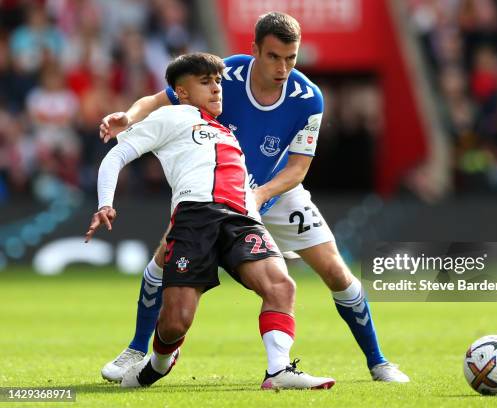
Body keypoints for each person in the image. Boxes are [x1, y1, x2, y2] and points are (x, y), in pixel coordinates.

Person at [99, 12, 409, 383]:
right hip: (216, 194)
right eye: (274, 57)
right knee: (164, 256)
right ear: (255, 51)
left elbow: (298, 167)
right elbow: (158, 99)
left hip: (275, 192)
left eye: (291, 58)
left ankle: (378, 362)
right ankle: (136, 348)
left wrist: (260, 194)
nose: (283, 68)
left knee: (335, 271)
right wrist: (129, 117)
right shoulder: (225, 75)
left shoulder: (308, 97)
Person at [86, 52, 335, 390]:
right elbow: (116, 155)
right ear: (182, 92)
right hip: (195, 218)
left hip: (242, 218)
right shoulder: (172, 117)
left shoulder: (226, 132)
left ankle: (278, 371)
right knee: (176, 323)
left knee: (281, 286)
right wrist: (105, 203)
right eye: (206, 82)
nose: (217, 88)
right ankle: (155, 365)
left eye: (218, 81)